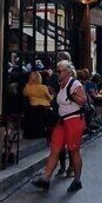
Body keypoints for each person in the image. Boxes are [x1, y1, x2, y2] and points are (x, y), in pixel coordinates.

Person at [32, 61, 87, 192]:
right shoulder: (61, 85)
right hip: (63, 121)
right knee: (55, 149)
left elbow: (83, 101)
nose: (57, 73)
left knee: (73, 151)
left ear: (67, 72)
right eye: (57, 71)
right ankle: (46, 178)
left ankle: (77, 180)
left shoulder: (75, 84)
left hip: (74, 120)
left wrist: (72, 97)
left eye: (59, 71)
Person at [22, 71, 52, 139]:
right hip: (44, 107)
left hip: (32, 106)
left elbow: (24, 94)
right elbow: (50, 97)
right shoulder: (43, 87)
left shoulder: (27, 87)